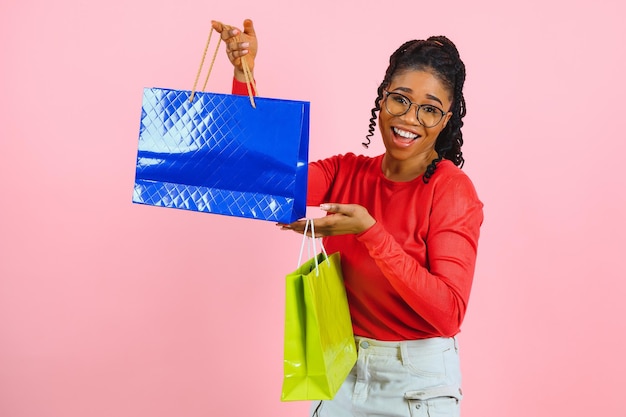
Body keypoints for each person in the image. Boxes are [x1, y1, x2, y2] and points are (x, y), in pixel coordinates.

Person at [212, 19, 484, 417]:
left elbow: (448, 314)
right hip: (341, 369)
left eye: (429, 110)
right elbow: (259, 181)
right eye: (400, 99)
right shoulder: (346, 173)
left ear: (445, 121)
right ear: (382, 98)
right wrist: (244, 75)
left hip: (417, 387)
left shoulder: (451, 190)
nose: (410, 118)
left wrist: (370, 233)